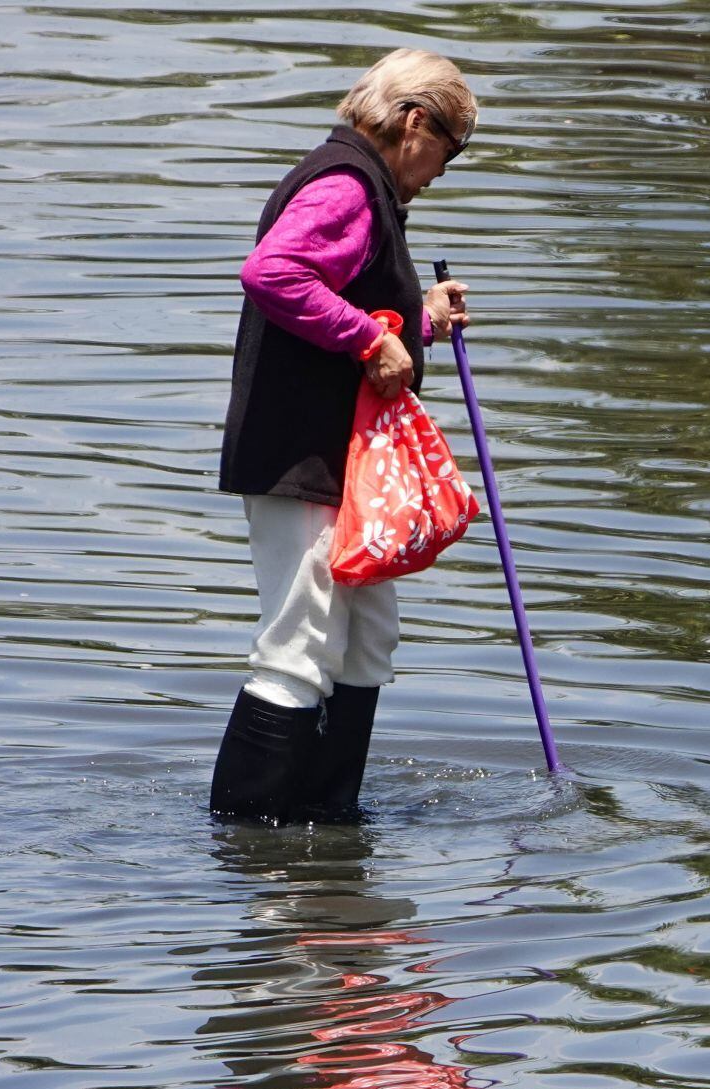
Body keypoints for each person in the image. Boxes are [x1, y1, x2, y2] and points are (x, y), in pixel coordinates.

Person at [210, 48, 477, 825]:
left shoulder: (369, 193)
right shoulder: (347, 185)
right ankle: (249, 837)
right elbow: (275, 274)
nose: (441, 172)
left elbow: (352, 301)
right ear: (415, 121)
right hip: (299, 457)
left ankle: (328, 823)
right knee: (300, 640)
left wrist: (417, 319)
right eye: (449, 151)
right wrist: (369, 338)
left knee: (366, 636)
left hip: (345, 462)